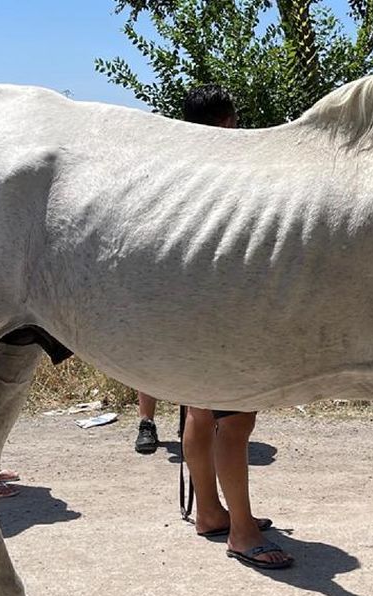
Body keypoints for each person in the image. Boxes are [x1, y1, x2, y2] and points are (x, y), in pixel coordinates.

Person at [133, 85, 243, 456]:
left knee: (191, 399)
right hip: (204, 287)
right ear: (226, 122)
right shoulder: (232, 166)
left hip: (173, 281)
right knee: (211, 408)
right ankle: (148, 422)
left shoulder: (168, 160)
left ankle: (151, 423)